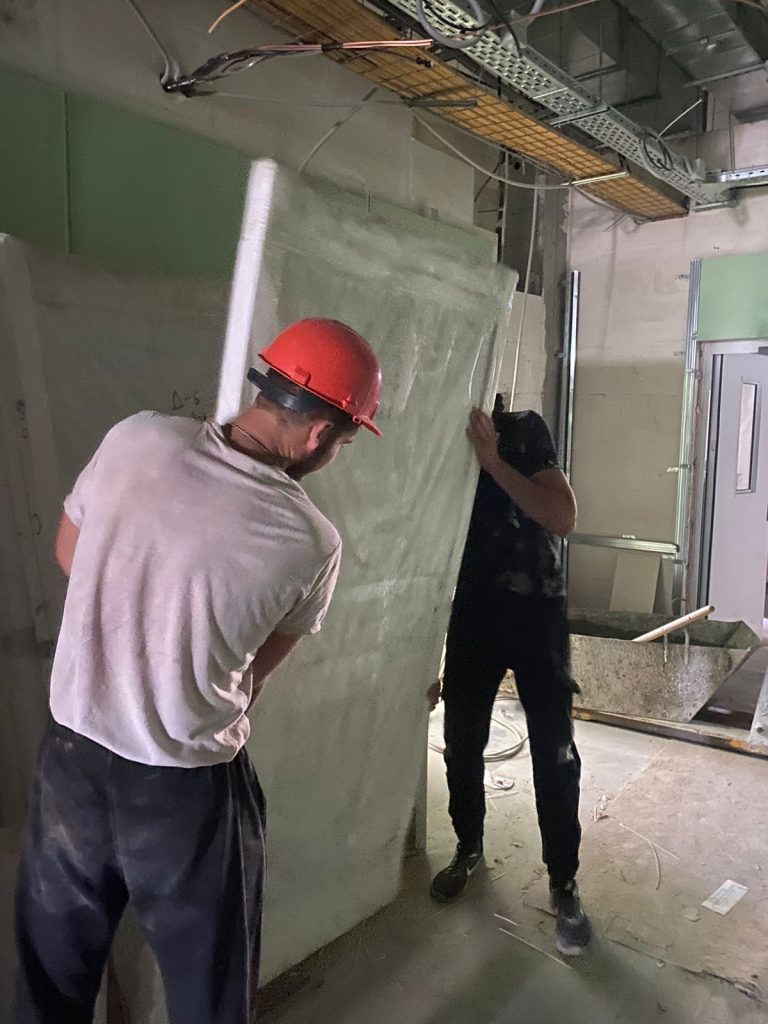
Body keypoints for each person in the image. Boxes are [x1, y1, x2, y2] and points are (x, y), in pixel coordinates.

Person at [13, 318, 382, 1023]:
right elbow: (252, 675)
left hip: (72, 759)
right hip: (180, 788)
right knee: (207, 992)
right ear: (318, 435)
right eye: (343, 441)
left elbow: (69, 553)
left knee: (50, 978)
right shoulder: (311, 541)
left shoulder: (136, 436)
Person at [430, 398, 591, 956]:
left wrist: (495, 464)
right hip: (472, 613)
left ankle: (563, 881)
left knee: (554, 751)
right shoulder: (434, 428)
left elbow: (563, 517)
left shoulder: (521, 430)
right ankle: (468, 847)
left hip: (536, 609)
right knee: (461, 740)